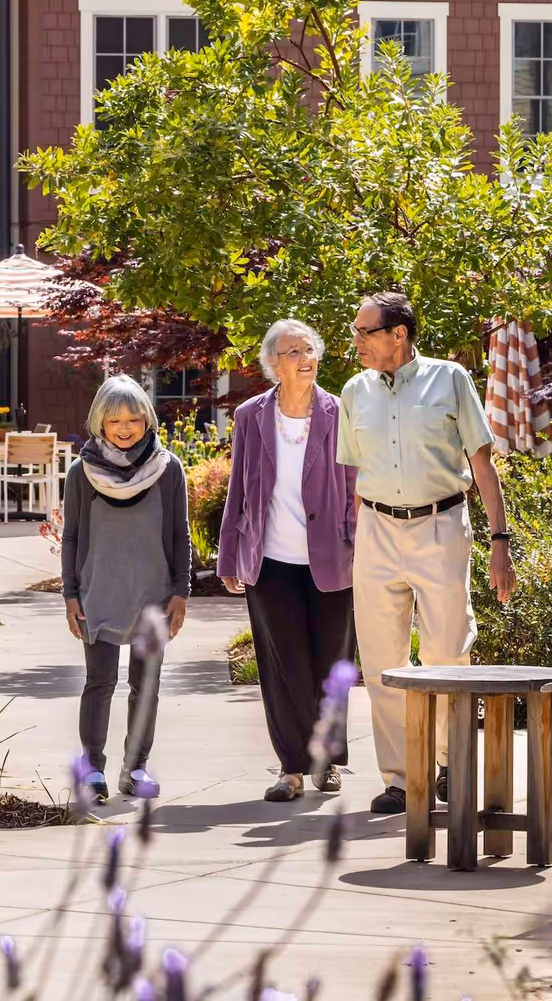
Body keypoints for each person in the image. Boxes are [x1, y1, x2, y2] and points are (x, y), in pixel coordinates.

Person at [338, 291, 516, 815]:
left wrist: (499, 543)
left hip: (440, 524)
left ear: (399, 333)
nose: (356, 343)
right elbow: (356, 475)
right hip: (376, 530)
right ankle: (400, 776)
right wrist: (357, 539)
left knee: (447, 650)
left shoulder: (451, 379)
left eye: (365, 332)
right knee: (381, 659)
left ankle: (446, 761)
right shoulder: (354, 392)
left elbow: (482, 465)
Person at [215, 319, 358, 803]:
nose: (305, 357)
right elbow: (239, 487)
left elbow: (357, 487)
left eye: (310, 348)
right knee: (282, 665)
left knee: (331, 662)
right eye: (293, 351)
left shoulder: (341, 413)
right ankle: (291, 768)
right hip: (270, 558)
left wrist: (360, 547)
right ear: (273, 363)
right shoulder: (251, 416)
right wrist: (230, 554)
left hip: (333, 558)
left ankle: (328, 759)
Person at [60, 375, 191, 803]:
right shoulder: (82, 474)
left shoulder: (168, 469)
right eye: (114, 419)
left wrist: (181, 591)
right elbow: (73, 537)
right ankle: (92, 768)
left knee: (146, 685)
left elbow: (179, 535)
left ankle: (135, 767)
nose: (124, 427)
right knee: (99, 682)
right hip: (98, 595)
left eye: (133, 418)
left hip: (153, 597)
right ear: (99, 421)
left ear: (147, 420)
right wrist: (70, 594)